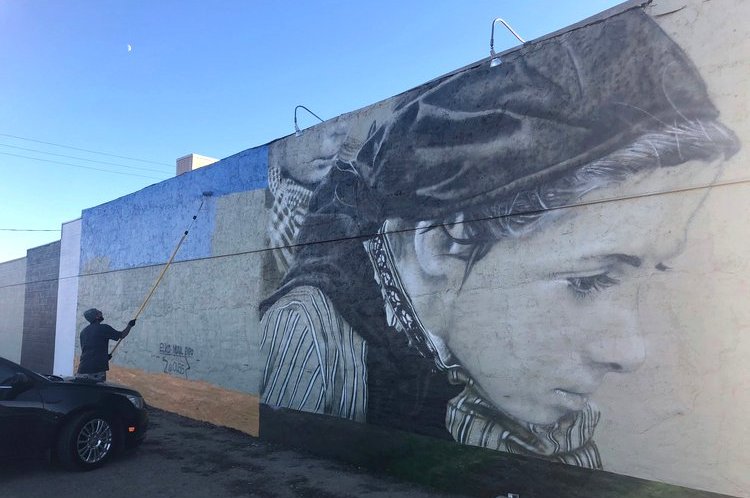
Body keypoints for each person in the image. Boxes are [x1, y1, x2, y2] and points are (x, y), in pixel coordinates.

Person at [259, 8, 740, 469]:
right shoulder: (316, 340)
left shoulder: (474, 363)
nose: (631, 351)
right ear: (443, 243)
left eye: (655, 276)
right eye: (590, 281)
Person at [76, 308, 136, 382]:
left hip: (82, 370)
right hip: (97, 370)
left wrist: (104, 357)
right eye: (99, 312)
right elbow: (122, 335)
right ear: (96, 317)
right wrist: (130, 325)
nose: (101, 312)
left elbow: (88, 350)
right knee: (98, 389)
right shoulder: (104, 328)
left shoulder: (83, 332)